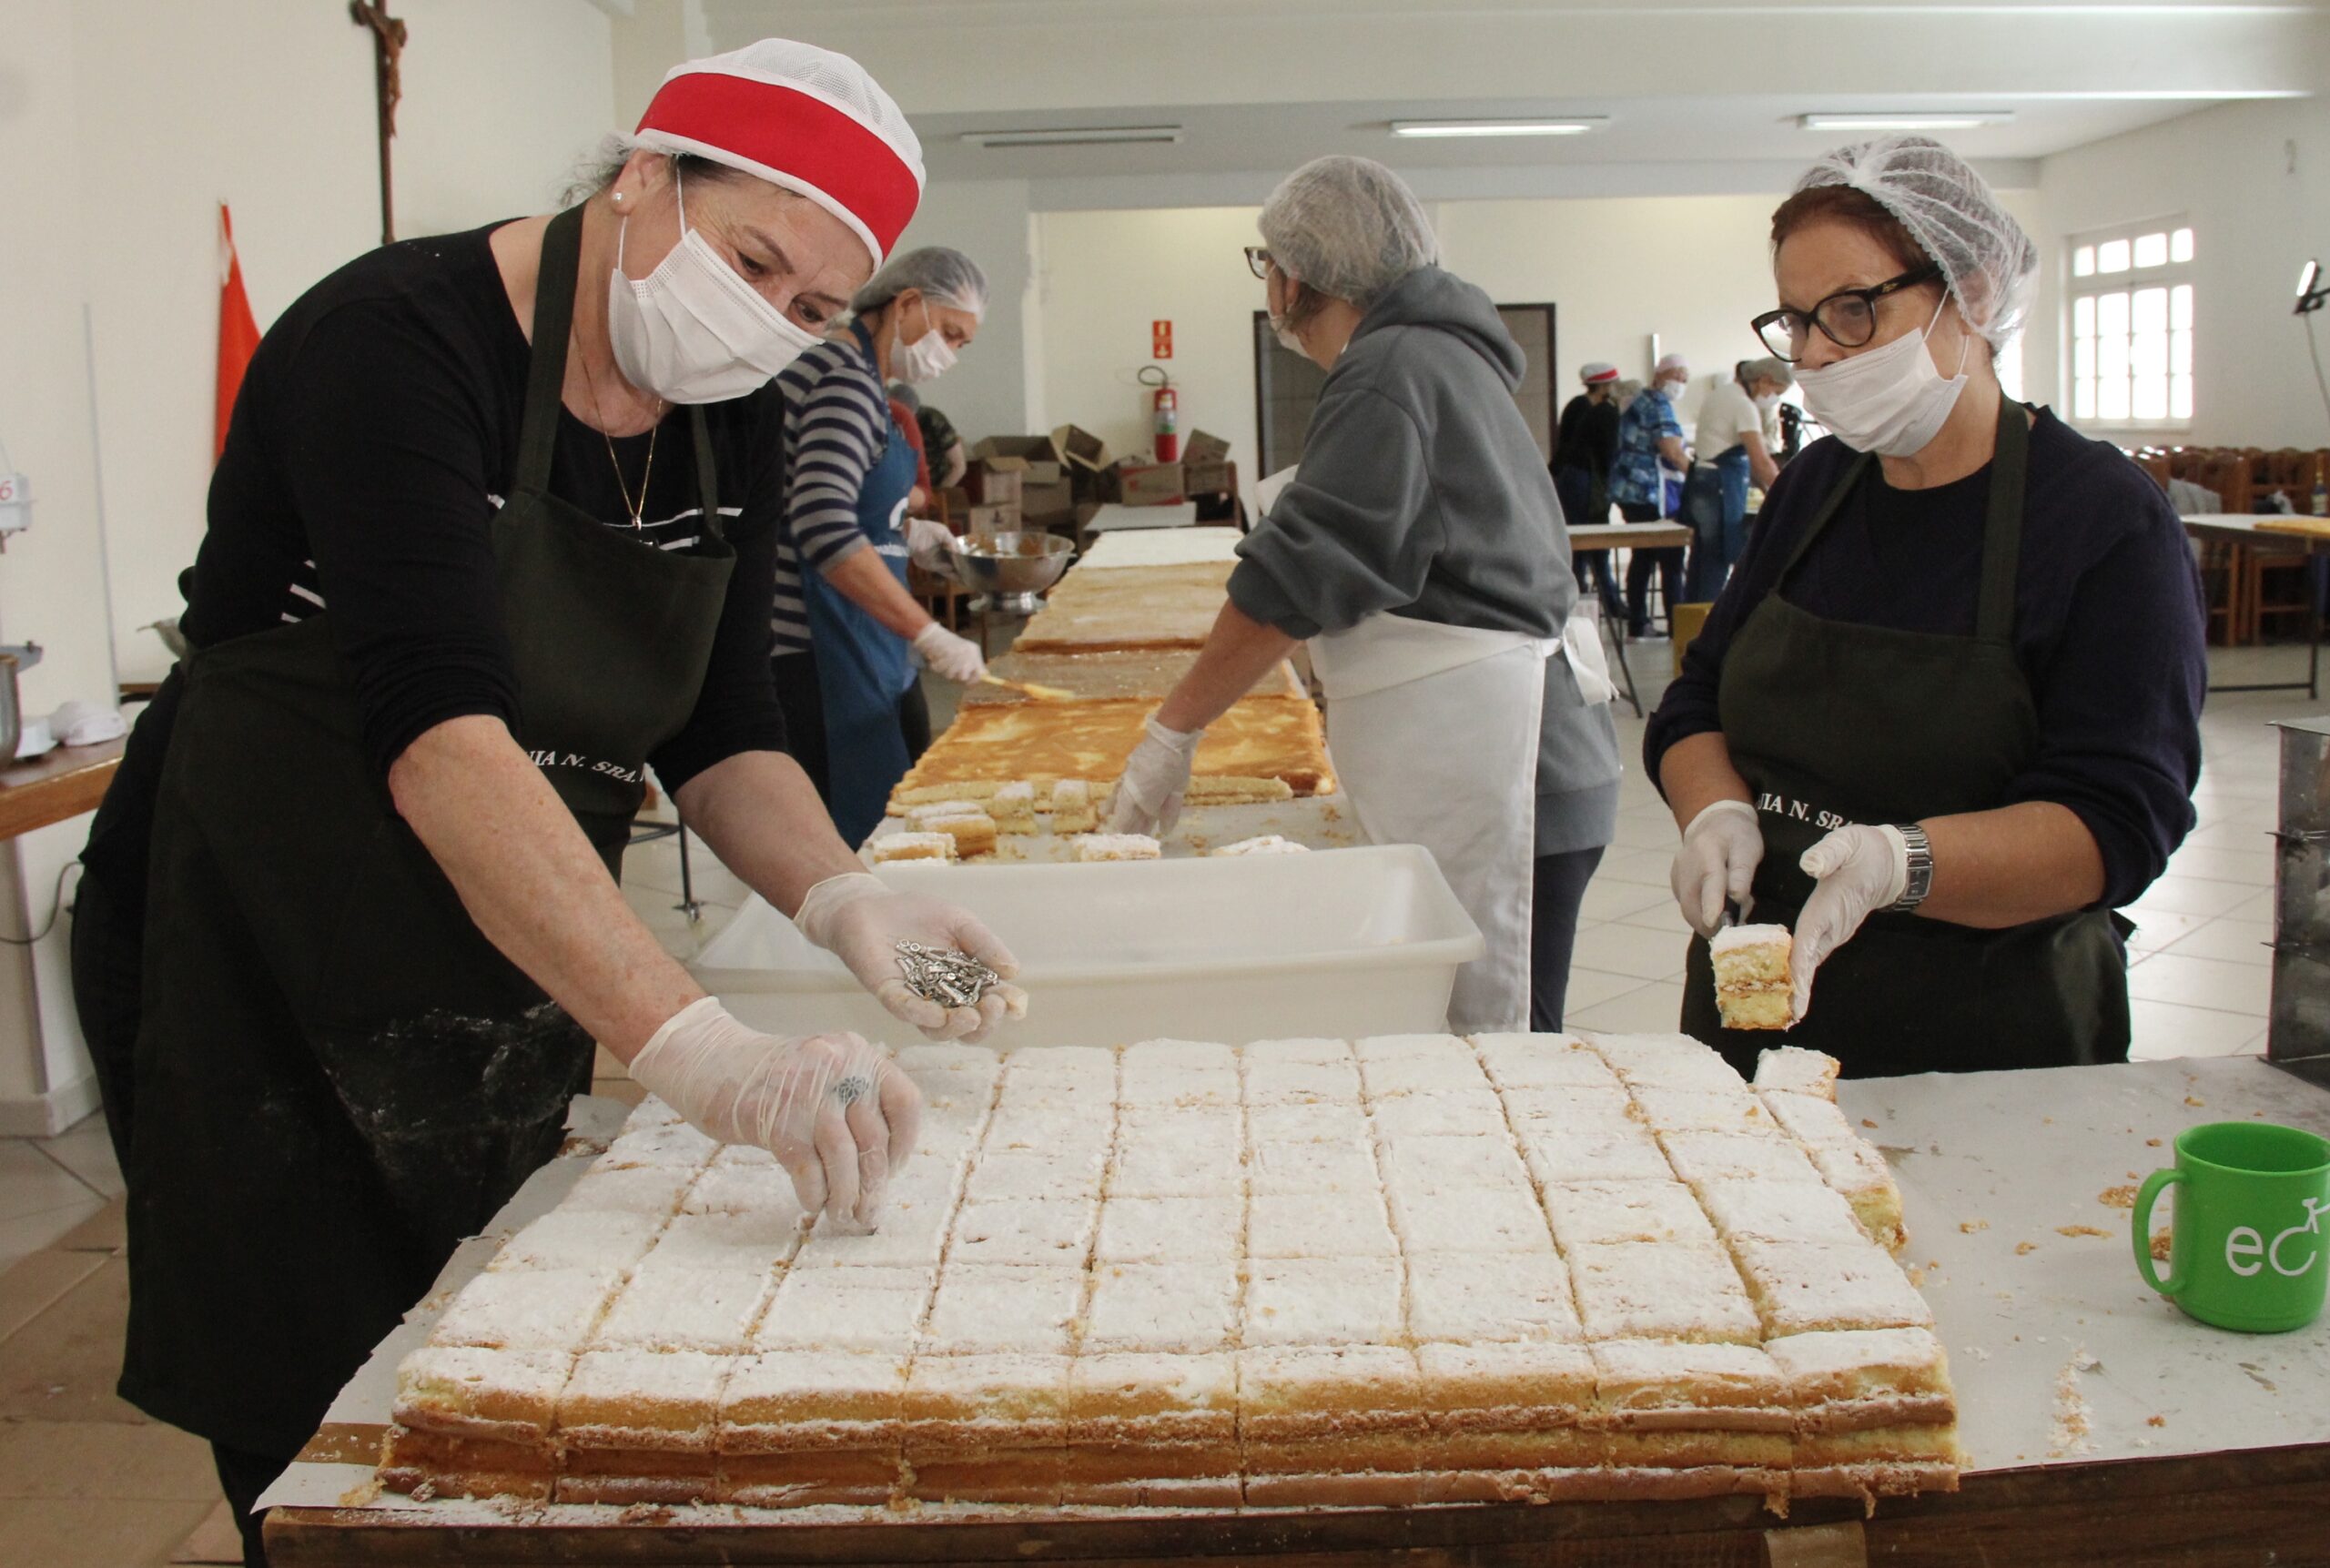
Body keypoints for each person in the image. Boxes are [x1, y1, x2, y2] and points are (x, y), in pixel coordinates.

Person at [66, 42, 1026, 1565]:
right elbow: (443, 738)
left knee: (491, 1368)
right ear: (645, 174)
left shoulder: (742, 408)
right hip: (253, 933)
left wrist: (849, 893)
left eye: (811, 309)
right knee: (327, 1428)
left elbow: (723, 730)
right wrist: (703, 1052)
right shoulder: (396, 339)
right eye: (754, 256)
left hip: (498, 936)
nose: (766, 322)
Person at [1647, 135, 2205, 1078]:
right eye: (1796, 320)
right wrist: (1714, 816)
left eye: (1854, 310)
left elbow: (2115, 820)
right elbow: (1697, 700)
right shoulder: (1816, 487)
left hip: (1986, 1029)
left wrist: (1897, 865)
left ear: (1972, 293)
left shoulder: (2099, 520)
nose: (1817, 353)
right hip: (1755, 1017)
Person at [1108, 156, 1620, 1034]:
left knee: (1495, 1065)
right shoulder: (1433, 356)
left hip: (1511, 765)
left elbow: (1296, 579)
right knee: (1479, 1046)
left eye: (1266, 264)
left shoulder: (1390, 368)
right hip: (1518, 743)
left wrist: (1174, 729)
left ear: (1297, 274)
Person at [769, 247, 989, 843]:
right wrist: (928, 631)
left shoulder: (863, 382)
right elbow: (820, 523)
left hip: (859, 642)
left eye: (962, 344)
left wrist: (905, 532)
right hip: (818, 655)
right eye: (949, 333)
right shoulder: (842, 380)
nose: (950, 354)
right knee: (855, 843)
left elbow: (829, 495)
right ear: (908, 303)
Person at [1683, 356, 1790, 600]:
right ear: (1764, 380)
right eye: (1776, 390)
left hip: (1703, 481)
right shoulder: (1743, 404)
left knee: (1702, 559)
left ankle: (1690, 623)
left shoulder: (1723, 393)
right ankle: (1706, 626)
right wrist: (1788, 494)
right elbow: (1761, 461)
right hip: (1718, 486)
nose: (1775, 398)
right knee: (1718, 557)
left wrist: (1769, 492)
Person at [1611, 353, 1692, 636]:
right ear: (1660, 376)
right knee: (1671, 559)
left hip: (1629, 490)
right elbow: (1671, 450)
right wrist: (1697, 477)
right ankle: (1677, 627)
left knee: (1643, 556)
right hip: (1646, 492)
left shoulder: (1642, 399)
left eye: (1685, 379)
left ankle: (1638, 622)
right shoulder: (1658, 404)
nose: (1680, 383)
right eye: (1677, 376)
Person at [1553, 361, 1625, 617]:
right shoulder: (1589, 408)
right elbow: (1603, 452)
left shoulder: (1582, 406)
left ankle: (1594, 598)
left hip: (1576, 478)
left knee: (1585, 543)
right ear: (1605, 386)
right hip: (1582, 480)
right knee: (1588, 540)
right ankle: (1591, 600)